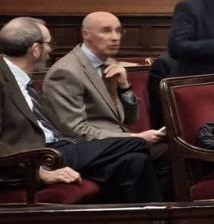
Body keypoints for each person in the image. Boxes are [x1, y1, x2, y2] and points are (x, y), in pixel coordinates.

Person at [1, 17, 162, 204]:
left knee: (135, 161)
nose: (51, 50)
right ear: (35, 49)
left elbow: (130, 118)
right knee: (139, 144)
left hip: (62, 147)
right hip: (40, 156)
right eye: (49, 44)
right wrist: (39, 172)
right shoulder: (4, 79)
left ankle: (151, 221)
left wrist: (124, 87)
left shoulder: (22, 79)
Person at [42, 13, 166, 154]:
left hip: (120, 144)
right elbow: (76, 131)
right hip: (94, 151)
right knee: (166, 154)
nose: (115, 37)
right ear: (86, 34)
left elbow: (131, 119)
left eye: (118, 31)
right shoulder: (66, 72)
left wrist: (125, 87)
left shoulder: (110, 64)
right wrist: (135, 138)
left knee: (172, 150)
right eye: (106, 31)